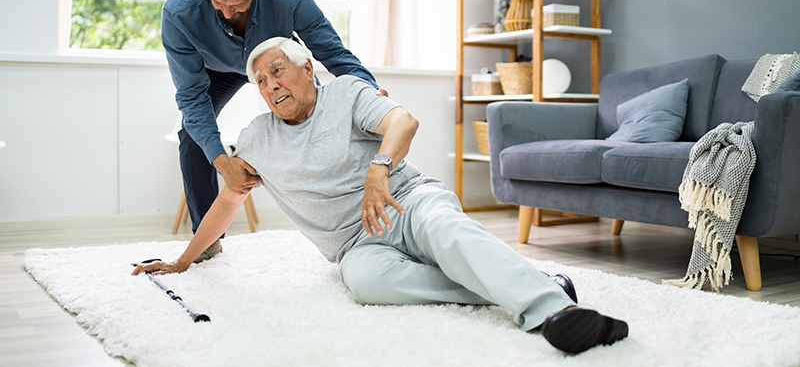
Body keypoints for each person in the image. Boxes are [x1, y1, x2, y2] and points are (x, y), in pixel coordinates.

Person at [134, 37, 629, 355]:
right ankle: (529, 282)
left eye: (278, 71)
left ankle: (552, 313)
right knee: (368, 284)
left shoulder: (346, 92)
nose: (270, 85)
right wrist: (182, 262)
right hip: (356, 245)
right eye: (260, 81)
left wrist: (379, 168)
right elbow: (229, 201)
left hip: (406, 203)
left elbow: (402, 120)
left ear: (308, 68)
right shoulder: (258, 138)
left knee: (446, 232)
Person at [162, 0, 385, 262]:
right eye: (217, 0)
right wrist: (222, 162)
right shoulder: (179, 12)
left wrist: (369, 93)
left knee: (326, 117)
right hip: (218, 70)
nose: (226, 11)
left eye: (236, 2)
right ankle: (207, 240)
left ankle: (345, 214)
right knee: (191, 136)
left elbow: (333, 54)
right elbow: (192, 97)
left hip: (273, 61)